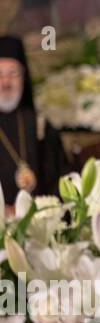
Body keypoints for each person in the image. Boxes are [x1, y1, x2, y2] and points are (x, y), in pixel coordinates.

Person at [0, 35, 68, 206]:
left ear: (24, 77)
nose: (5, 82)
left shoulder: (42, 127)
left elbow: (60, 184)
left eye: (13, 74)